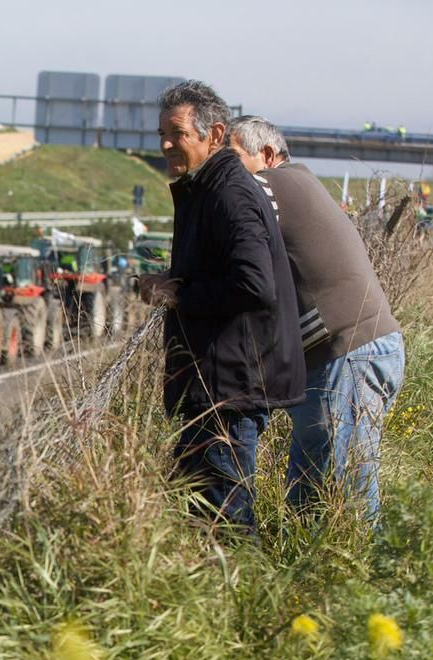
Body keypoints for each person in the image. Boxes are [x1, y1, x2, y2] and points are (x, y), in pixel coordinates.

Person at [140, 81, 304, 534]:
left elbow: (254, 284)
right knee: (203, 518)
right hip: (215, 383)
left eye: (176, 133)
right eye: (161, 135)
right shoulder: (208, 187)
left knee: (224, 523)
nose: (167, 144)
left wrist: (179, 296)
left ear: (214, 135)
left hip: (227, 390)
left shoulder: (229, 193)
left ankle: (239, 598)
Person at [229, 116, 404, 522]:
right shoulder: (296, 184)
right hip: (351, 352)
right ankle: (318, 574)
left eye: (232, 158)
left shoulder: (273, 185)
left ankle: (362, 578)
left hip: (347, 354)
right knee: (314, 488)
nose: (225, 171)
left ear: (267, 156)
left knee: (343, 494)